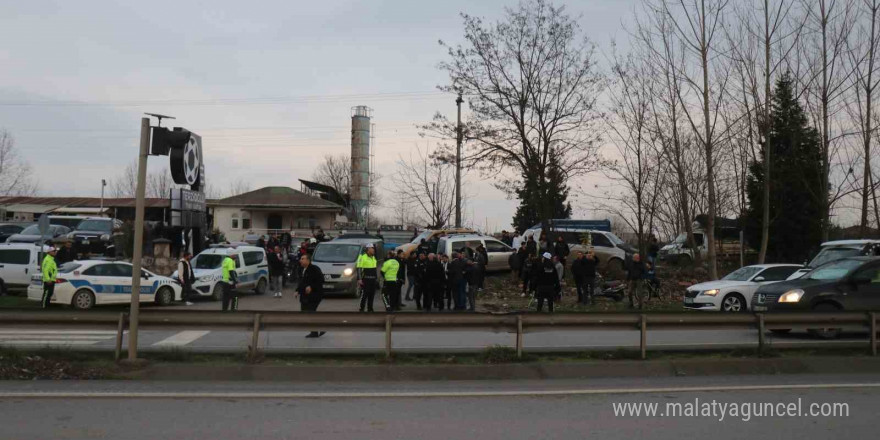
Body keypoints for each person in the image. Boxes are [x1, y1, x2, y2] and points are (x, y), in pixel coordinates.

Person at [296, 253, 325, 338]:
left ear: (308, 260)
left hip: (315, 295)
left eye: (302, 259)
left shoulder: (314, 269)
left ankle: (318, 329)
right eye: (301, 259)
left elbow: (321, 280)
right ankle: (315, 331)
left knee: (310, 312)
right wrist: (297, 291)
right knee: (305, 312)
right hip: (305, 296)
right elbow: (302, 282)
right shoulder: (302, 269)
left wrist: (311, 287)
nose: (300, 260)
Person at [356, 244, 379, 312]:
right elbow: (359, 268)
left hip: (373, 279)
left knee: (372, 295)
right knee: (364, 295)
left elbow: (375, 269)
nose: (374, 250)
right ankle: (361, 308)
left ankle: (370, 308)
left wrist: (376, 279)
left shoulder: (373, 257)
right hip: (366, 279)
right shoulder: (362, 257)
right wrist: (359, 279)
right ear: (368, 249)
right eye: (372, 248)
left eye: (374, 248)